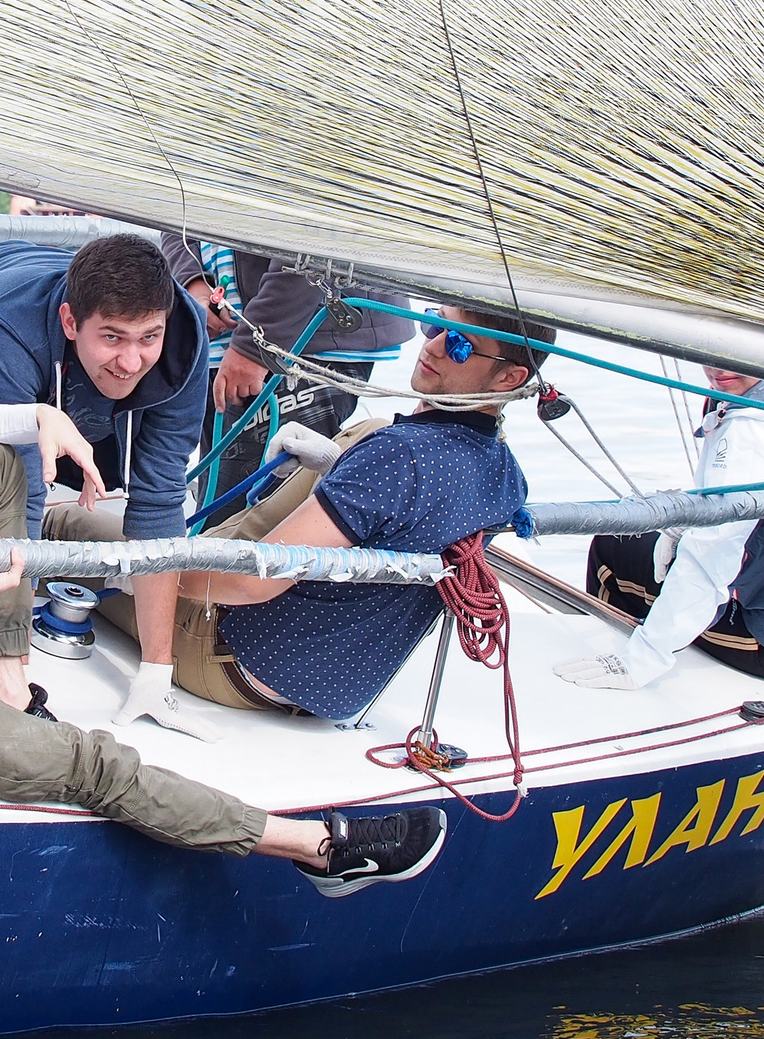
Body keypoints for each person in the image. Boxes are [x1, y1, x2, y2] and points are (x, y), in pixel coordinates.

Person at [0, 251, 447, 897]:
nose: (134, 356)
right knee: (93, 765)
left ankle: (2, 673)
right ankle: (316, 847)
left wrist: (40, 415)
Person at [87, 305, 545, 725]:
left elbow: (250, 581)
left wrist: (152, 580)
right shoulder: (506, 475)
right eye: (435, 324)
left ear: (509, 379)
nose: (433, 344)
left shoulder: (399, 455)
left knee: (70, 527)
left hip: (229, 660)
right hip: (334, 693)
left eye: (460, 343)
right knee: (370, 430)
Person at [0, 234, 208, 728]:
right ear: (71, 322)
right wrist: (13, 668)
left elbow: (160, 502)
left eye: (148, 338)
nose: (132, 361)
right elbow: (21, 495)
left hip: (66, 363)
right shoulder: (8, 327)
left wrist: (156, 676)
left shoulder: (184, 341)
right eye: (113, 337)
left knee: (153, 494)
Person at [554, 366, 764, 689]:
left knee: (612, 546)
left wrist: (642, 659)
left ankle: (609, 660)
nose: (717, 369)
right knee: (648, 542)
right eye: (708, 352)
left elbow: (708, 561)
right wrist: (680, 527)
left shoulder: (752, 433)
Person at [160, 233, 413, 502]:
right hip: (218, 344)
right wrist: (192, 281)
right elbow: (171, 207)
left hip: (300, 342)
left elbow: (316, 230)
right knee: (219, 501)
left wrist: (258, 344)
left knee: (260, 510)